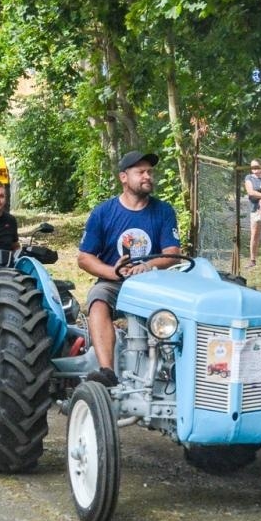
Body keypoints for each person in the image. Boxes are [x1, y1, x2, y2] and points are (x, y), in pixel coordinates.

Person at [76, 151, 182, 387]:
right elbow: (84, 258)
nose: (147, 176)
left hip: (154, 282)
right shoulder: (103, 213)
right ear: (124, 177)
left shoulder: (164, 211)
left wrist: (146, 266)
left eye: (150, 172)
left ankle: (174, 370)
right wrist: (113, 272)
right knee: (98, 299)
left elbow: (172, 253)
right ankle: (107, 371)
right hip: (114, 282)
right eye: (141, 172)